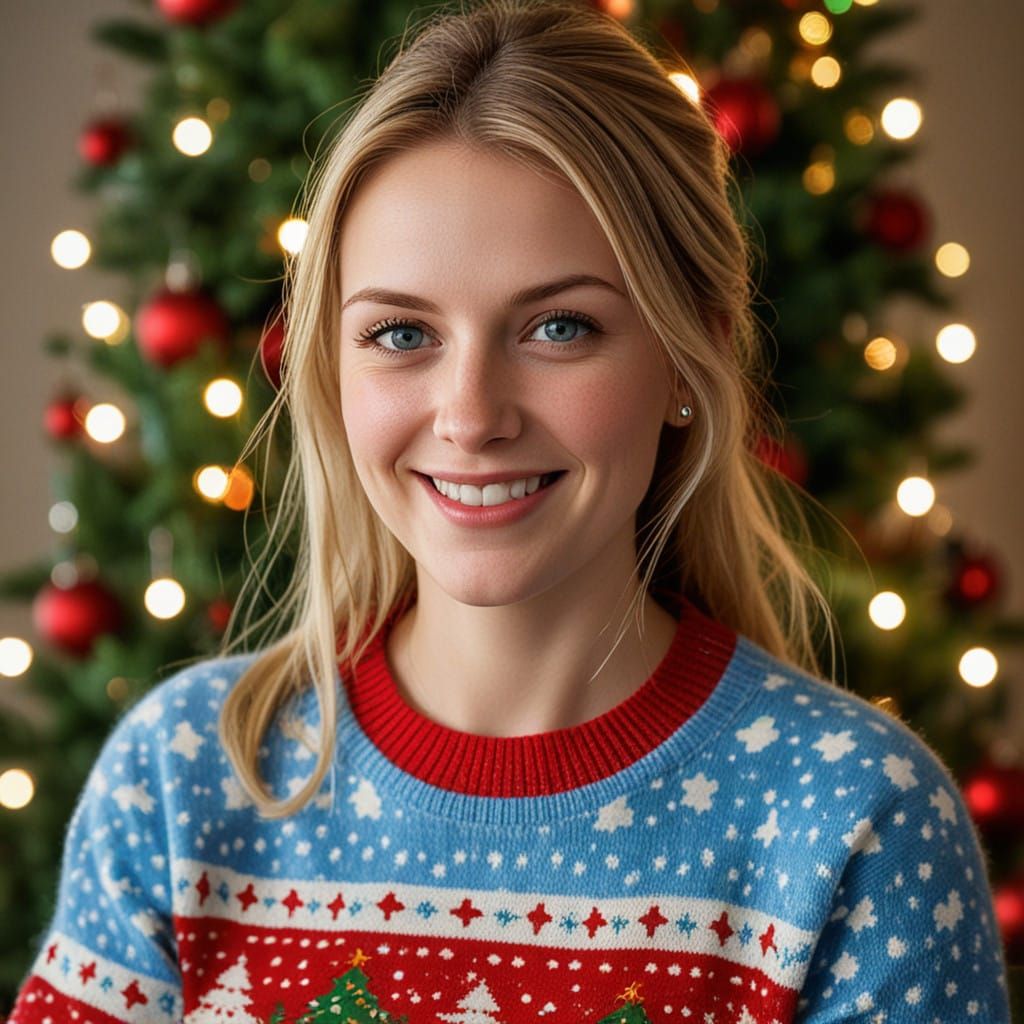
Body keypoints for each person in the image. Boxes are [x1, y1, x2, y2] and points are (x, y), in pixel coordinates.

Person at [10, 1, 1011, 1021]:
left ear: (685, 355)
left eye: (559, 326)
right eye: (401, 333)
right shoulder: (181, 782)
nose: (471, 415)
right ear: (331, 368)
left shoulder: (854, 821)